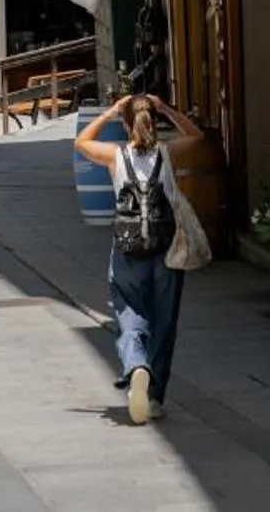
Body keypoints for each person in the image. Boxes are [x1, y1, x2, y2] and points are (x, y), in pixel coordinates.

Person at [75, 92, 190, 423]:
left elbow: (82, 141)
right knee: (164, 322)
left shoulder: (115, 157)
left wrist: (110, 111)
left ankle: (136, 365)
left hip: (128, 251)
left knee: (129, 313)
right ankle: (154, 397)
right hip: (166, 250)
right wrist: (168, 108)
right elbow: (196, 137)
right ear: (154, 122)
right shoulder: (167, 155)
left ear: (127, 124)